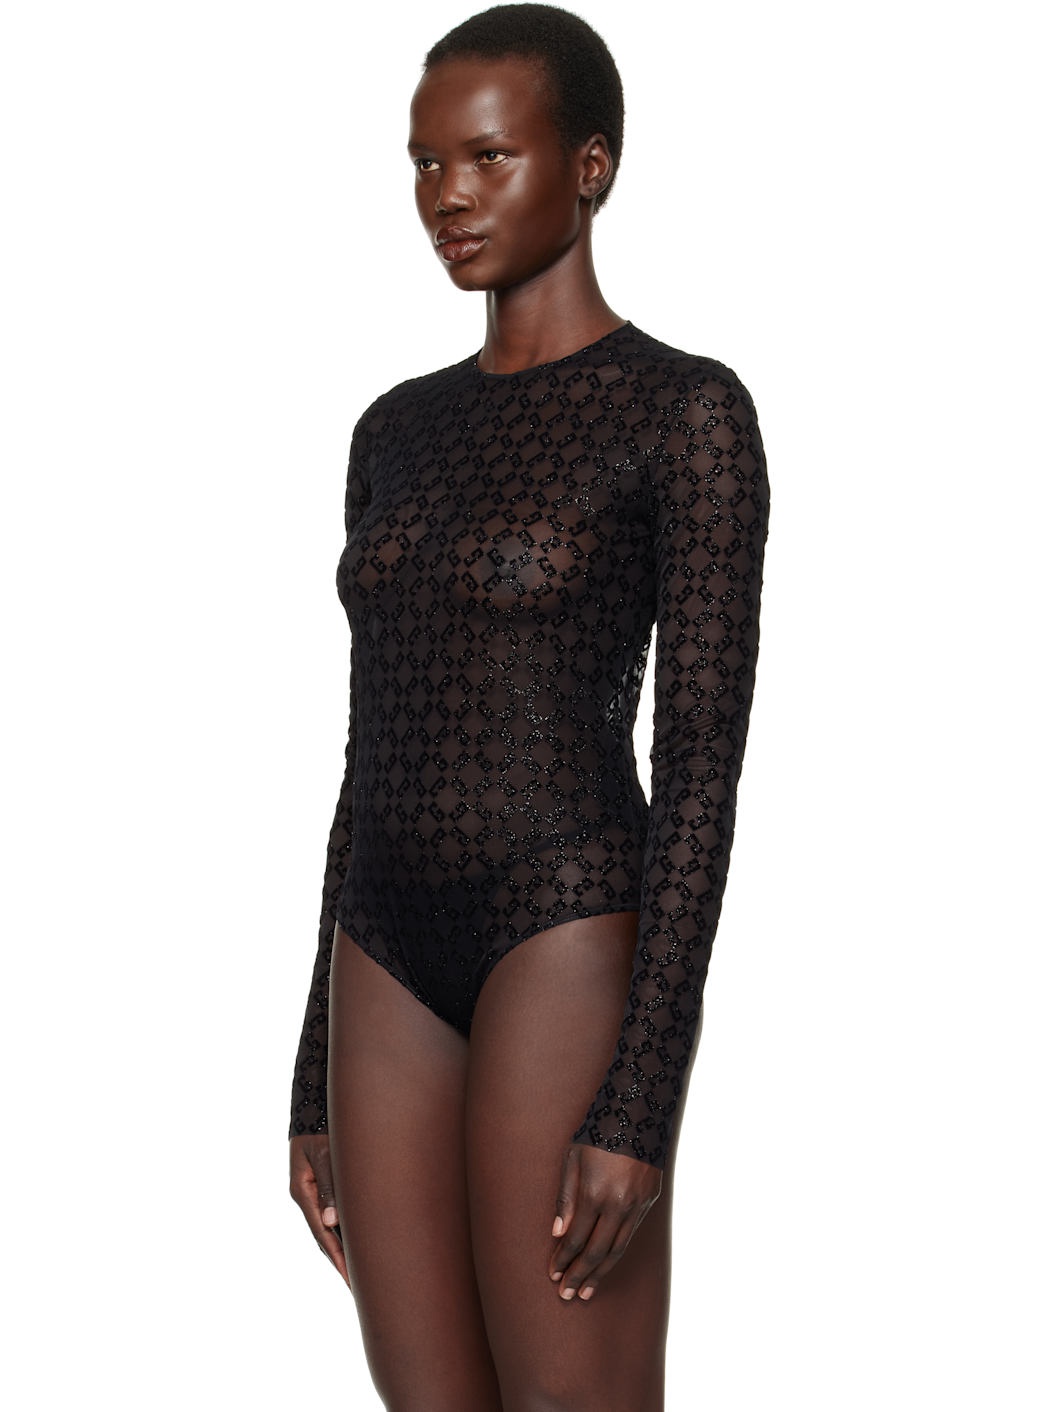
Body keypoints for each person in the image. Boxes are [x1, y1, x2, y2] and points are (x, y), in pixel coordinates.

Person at [288, 5, 770, 1409]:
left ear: (590, 165)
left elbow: (700, 772)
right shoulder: (394, 429)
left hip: (561, 921)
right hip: (381, 944)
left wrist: (642, 1101)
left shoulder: (684, 412)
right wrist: (312, 1069)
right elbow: (366, 750)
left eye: (489, 158)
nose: (449, 195)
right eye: (426, 163)